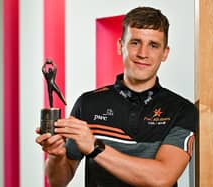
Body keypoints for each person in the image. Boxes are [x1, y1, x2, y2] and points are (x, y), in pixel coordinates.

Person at [36, 6, 198, 187]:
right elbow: (57, 181)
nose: (143, 54)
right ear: (121, 46)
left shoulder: (182, 110)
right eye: (135, 42)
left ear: (165, 53)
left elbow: (162, 178)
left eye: (153, 45)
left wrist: (95, 147)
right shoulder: (88, 103)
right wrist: (56, 156)